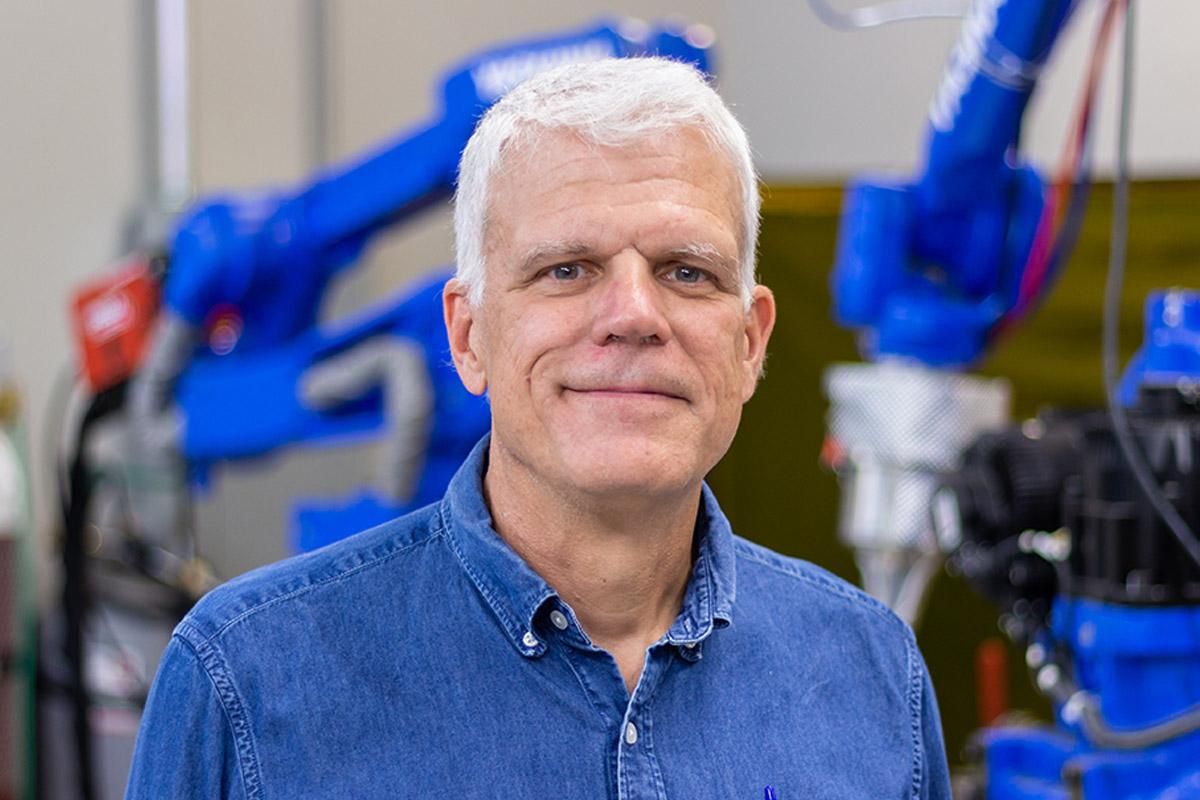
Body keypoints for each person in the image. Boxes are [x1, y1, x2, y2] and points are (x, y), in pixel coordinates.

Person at [126, 57, 951, 799]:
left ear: (749, 342)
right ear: (468, 336)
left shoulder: (873, 674)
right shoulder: (249, 681)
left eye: (686, 272)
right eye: (566, 270)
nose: (633, 316)